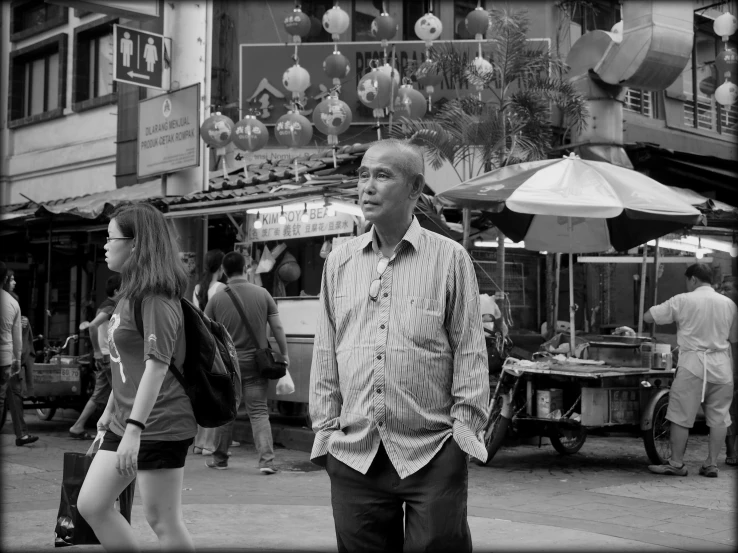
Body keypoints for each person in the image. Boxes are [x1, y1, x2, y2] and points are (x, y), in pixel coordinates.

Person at [309, 139, 490, 553]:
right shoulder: (340, 261)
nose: (366, 187)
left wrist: (463, 433)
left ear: (414, 188)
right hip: (355, 453)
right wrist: (325, 432)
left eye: (382, 175)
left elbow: (470, 351)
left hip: (432, 452)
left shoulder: (450, 258)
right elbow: (325, 351)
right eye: (362, 175)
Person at [77, 203, 196, 551]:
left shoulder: (157, 296)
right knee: (92, 505)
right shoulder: (128, 294)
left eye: (110, 237)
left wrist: (134, 430)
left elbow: (157, 367)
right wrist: (111, 410)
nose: (105, 245)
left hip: (158, 424)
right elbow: (125, 362)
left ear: (135, 244)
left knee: (163, 521)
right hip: (126, 422)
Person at [645, 263, 738, 478]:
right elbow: (733, 340)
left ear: (693, 279)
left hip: (693, 365)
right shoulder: (729, 305)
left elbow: (648, 316)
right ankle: (711, 464)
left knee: (680, 416)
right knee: (720, 417)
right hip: (722, 366)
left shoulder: (683, 300)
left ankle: (676, 463)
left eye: (687, 281)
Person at [203, 251, 289, 472]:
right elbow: (278, 327)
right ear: (245, 268)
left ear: (224, 271)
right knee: (259, 411)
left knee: (228, 411)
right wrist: (284, 354)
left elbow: (204, 332)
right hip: (256, 362)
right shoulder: (262, 294)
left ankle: (220, 459)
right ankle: (266, 462)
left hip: (228, 365)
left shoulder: (217, 299)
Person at [68, 275, 121, 439]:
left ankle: (77, 426)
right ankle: (119, 431)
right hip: (108, 358)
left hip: (105, 358)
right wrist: (97, 351)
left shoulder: (106, 305)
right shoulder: (110, 307)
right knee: (121, 394)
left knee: (99, 395)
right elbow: (92, 326)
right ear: (117, 291)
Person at [192, 249, 227, 455]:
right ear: (221, 267)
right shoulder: (221, 288)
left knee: (203, 394)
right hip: (217, 346)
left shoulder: (198, 288)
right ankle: (209, 445)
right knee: (217, 395)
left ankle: (199, 442)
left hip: (201, 345)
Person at [0, 263, 38, 447]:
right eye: (11, 278)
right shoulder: (11, 301)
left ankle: (22, 434)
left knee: (14, 395)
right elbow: (15, 336)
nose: (14, 282)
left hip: (8, 357)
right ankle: (21, 434)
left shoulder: (13, 300)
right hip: (8, 357)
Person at [720, 276, 738, 466]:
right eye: (721, 289)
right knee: (729, 412)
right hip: (728, 368)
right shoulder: (725, 312)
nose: (722, 293)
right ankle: (731, 452)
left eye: (727, 289)